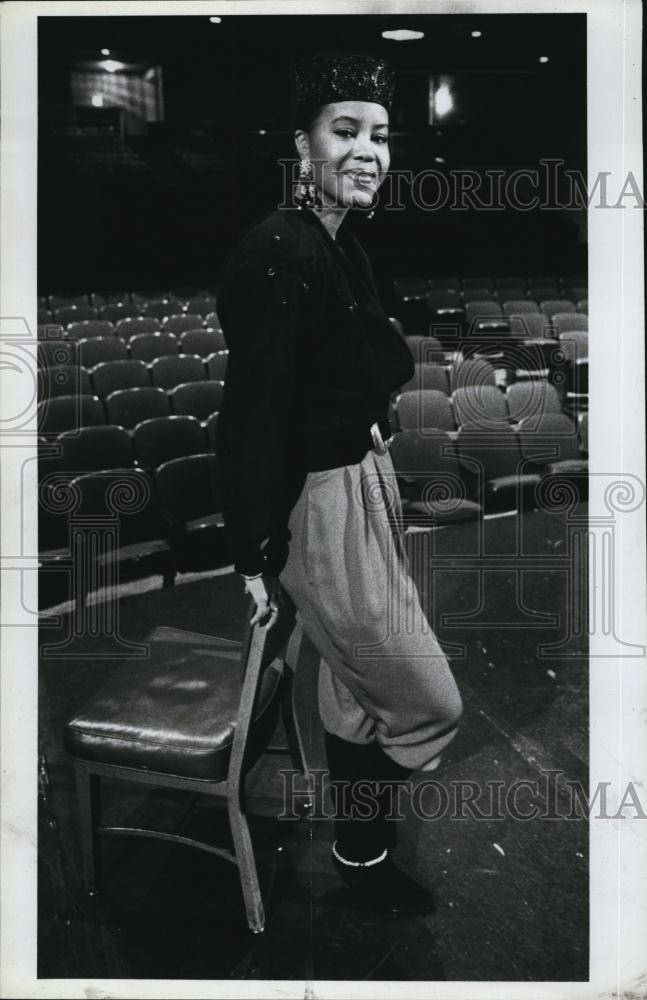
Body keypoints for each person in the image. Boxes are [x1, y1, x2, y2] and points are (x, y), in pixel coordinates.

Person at [215, 51, 463, 914]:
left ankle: (358, 855)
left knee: (357, 697)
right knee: (426, 701)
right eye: (345, 131)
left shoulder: (336, 242)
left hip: (363, 480)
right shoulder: (277, 252)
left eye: (381, 135)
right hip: (318, 503)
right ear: (302, 143)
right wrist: (250, 554)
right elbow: (250, 416)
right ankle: (358, 842)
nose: (369, 150)